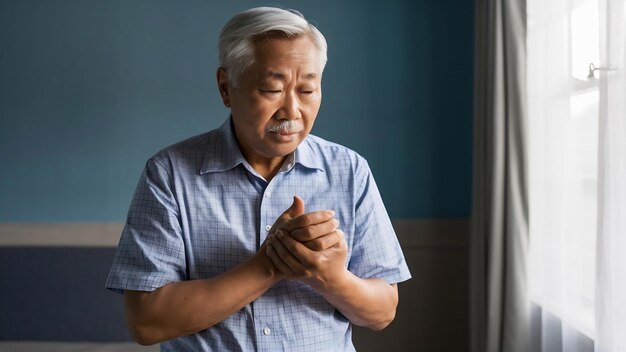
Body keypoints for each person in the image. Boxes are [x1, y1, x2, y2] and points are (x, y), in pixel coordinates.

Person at [106, 6, 411, 351]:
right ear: (225, 87)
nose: (292, 111)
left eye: (307, 91)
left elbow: (383, 312)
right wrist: (269, 264)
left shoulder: (349, 170)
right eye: (271, 89)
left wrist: (330, 276)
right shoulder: (170, 174)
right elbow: (146, 322)